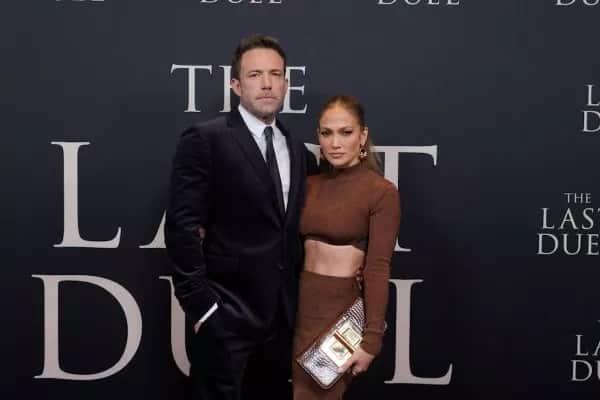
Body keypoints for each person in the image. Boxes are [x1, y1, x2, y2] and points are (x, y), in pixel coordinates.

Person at [165, 34, 316, 400]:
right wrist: (203, 309)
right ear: (235, 85)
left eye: (275, 74)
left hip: (282, 321)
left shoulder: (299, 151)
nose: (267, 83)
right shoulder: (206, 139)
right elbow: (182, 228)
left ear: (286, 84)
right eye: (255, 74)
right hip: (226, 316)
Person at [292, 95, 401, 399]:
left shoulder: (381, 192)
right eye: (327, 133)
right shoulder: (309, 185)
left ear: (362, 136)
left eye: (346, 132)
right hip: (300, 308)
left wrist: (372, 340)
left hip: (340, 314)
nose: (335, 143)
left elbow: (377, 268)